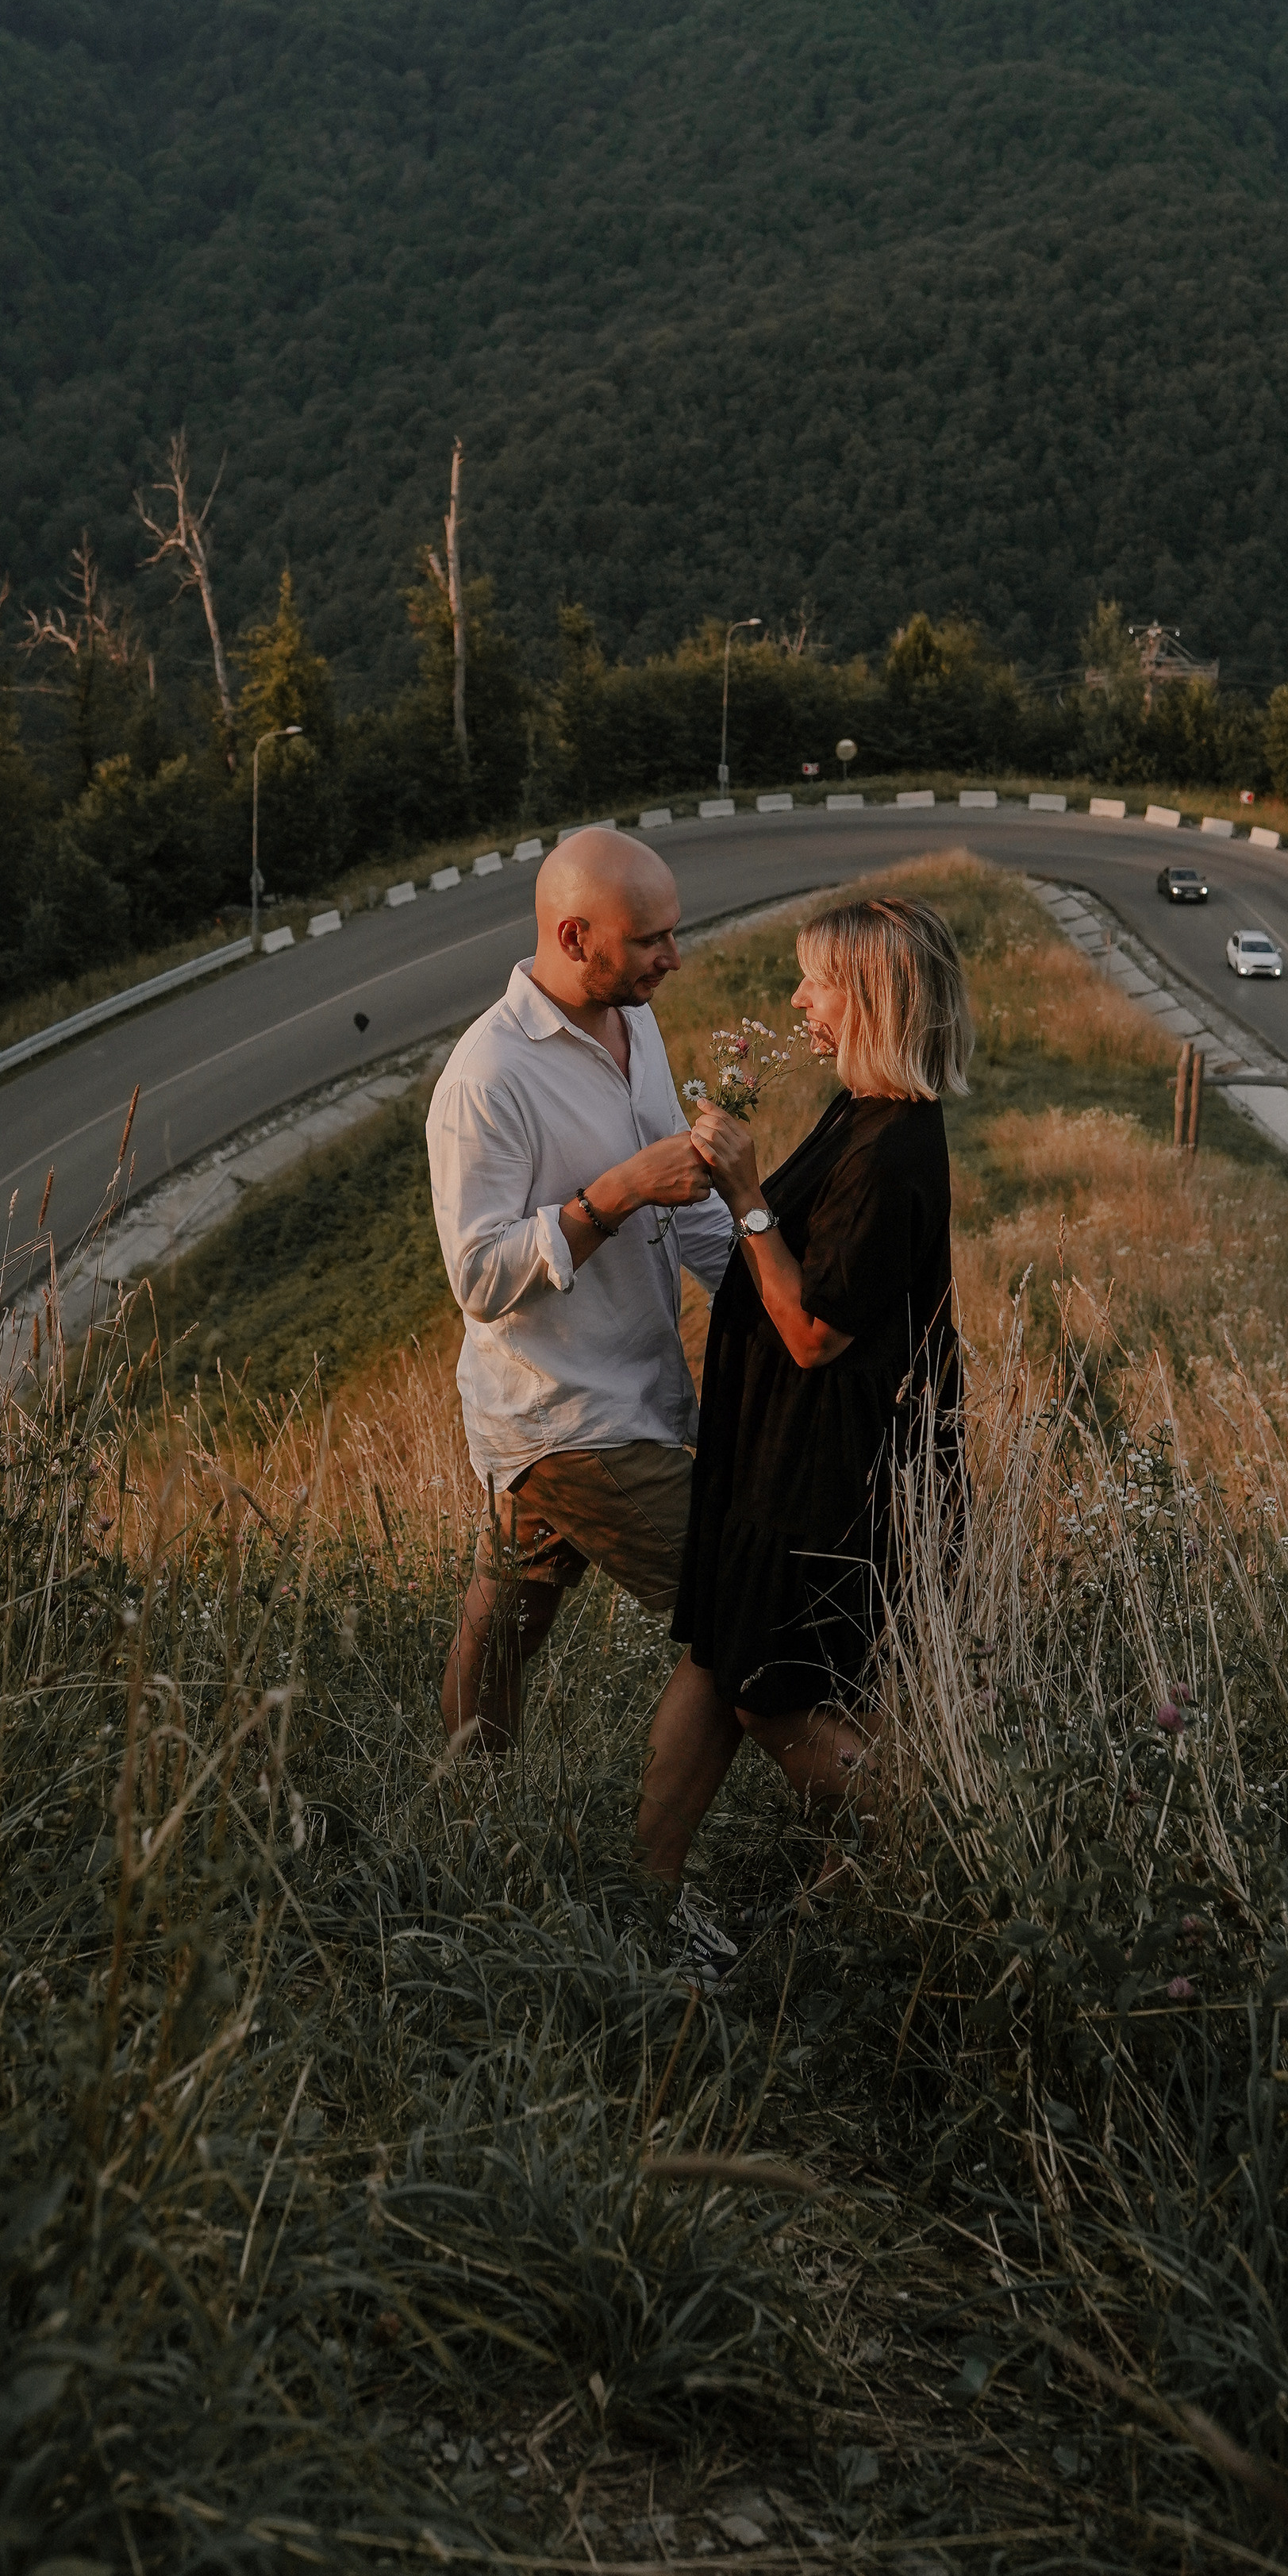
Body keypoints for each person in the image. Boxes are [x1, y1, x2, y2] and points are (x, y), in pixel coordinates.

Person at [425, 826, 742, 1964]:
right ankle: (647, 1911)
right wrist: (608, 1197)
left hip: (637, 1385)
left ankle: (458, 1849)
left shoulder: (635, 1023)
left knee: (506, 1619)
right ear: (575, 938)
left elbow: (689, 1198)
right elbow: (476, 1276)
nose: (674, 956)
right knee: (737, 1614)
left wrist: (780, 1291)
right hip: (567, 1414)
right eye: (651, 939)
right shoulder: (488, 1079)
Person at [632, 897, 971, 1904]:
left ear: (870, 998)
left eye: (815, 981)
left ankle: (925, 1852)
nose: (798, 998)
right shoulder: (859, 1113)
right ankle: (637, 1888)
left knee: (772, 1693)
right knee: (719, 1659)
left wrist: (746, 1197)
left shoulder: (893, 1149)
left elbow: (814, 1328)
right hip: (767, 1457)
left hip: (821, 1474)